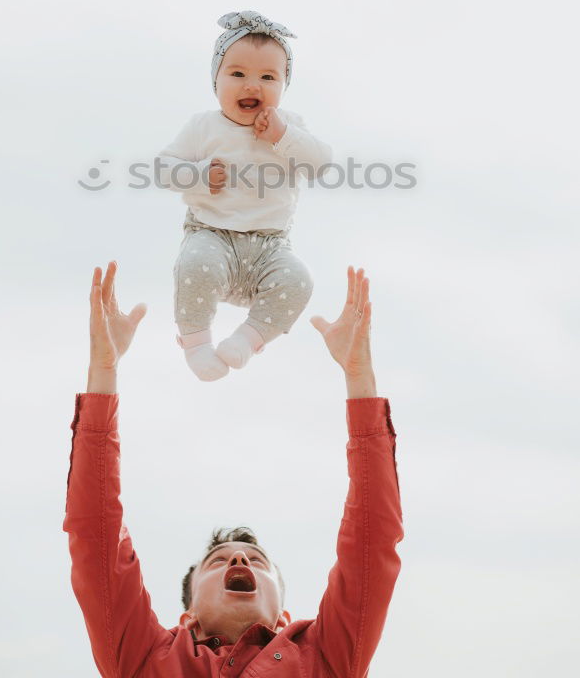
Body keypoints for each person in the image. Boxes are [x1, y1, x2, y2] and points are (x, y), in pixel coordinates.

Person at [64, 260, 404, 677]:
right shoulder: (144, 658)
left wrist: (358, 374)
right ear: (187, 616)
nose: (240, 559)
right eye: (219, 560)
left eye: (257, 561)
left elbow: (372, 538)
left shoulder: (327, 655)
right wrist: (104, 369)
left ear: (283, 617)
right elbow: (95, 534)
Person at [156, 10, 332, 381]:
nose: (252, 85)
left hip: (270, 247)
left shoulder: (290, 127)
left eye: (268, 77)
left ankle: (247, 340)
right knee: (194, 266)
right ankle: (197, 344)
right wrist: (199, 175)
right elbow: (163, 169)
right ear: (216, 80)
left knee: (299, 280)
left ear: (284, 85)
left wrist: (284, 136)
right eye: (237, 74)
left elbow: (321, 164)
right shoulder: (204, 126)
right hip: (211, 234)